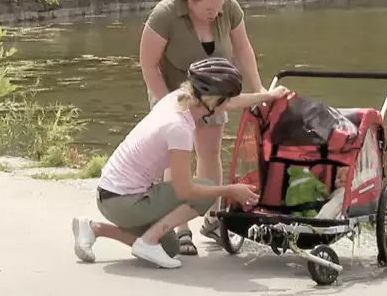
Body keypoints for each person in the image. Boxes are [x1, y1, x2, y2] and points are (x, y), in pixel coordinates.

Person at [72, 57, 291, 269]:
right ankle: (148, 241)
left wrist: (269, 96)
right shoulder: (179, 129)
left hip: (110, 194)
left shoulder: (178, 98)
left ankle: (94, 228)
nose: (226, 104)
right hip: (123, 202)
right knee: (206, 189)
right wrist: (231, 190)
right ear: (213, 100)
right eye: (223, 99)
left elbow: (230, 102)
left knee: (169, 247)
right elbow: (184, 189)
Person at [138, 0, 266, 255]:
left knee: (210, 153)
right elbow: (149, 64)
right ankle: (180, 229)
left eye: (220, 5)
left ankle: (211, 219)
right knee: (178, 157)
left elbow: (243, 48)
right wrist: (166, 105)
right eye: (209, 7)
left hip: (213, 92)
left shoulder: (227, 7)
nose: (216, 12)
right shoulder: (165, 15)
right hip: (173, 92)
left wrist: (258, 91)